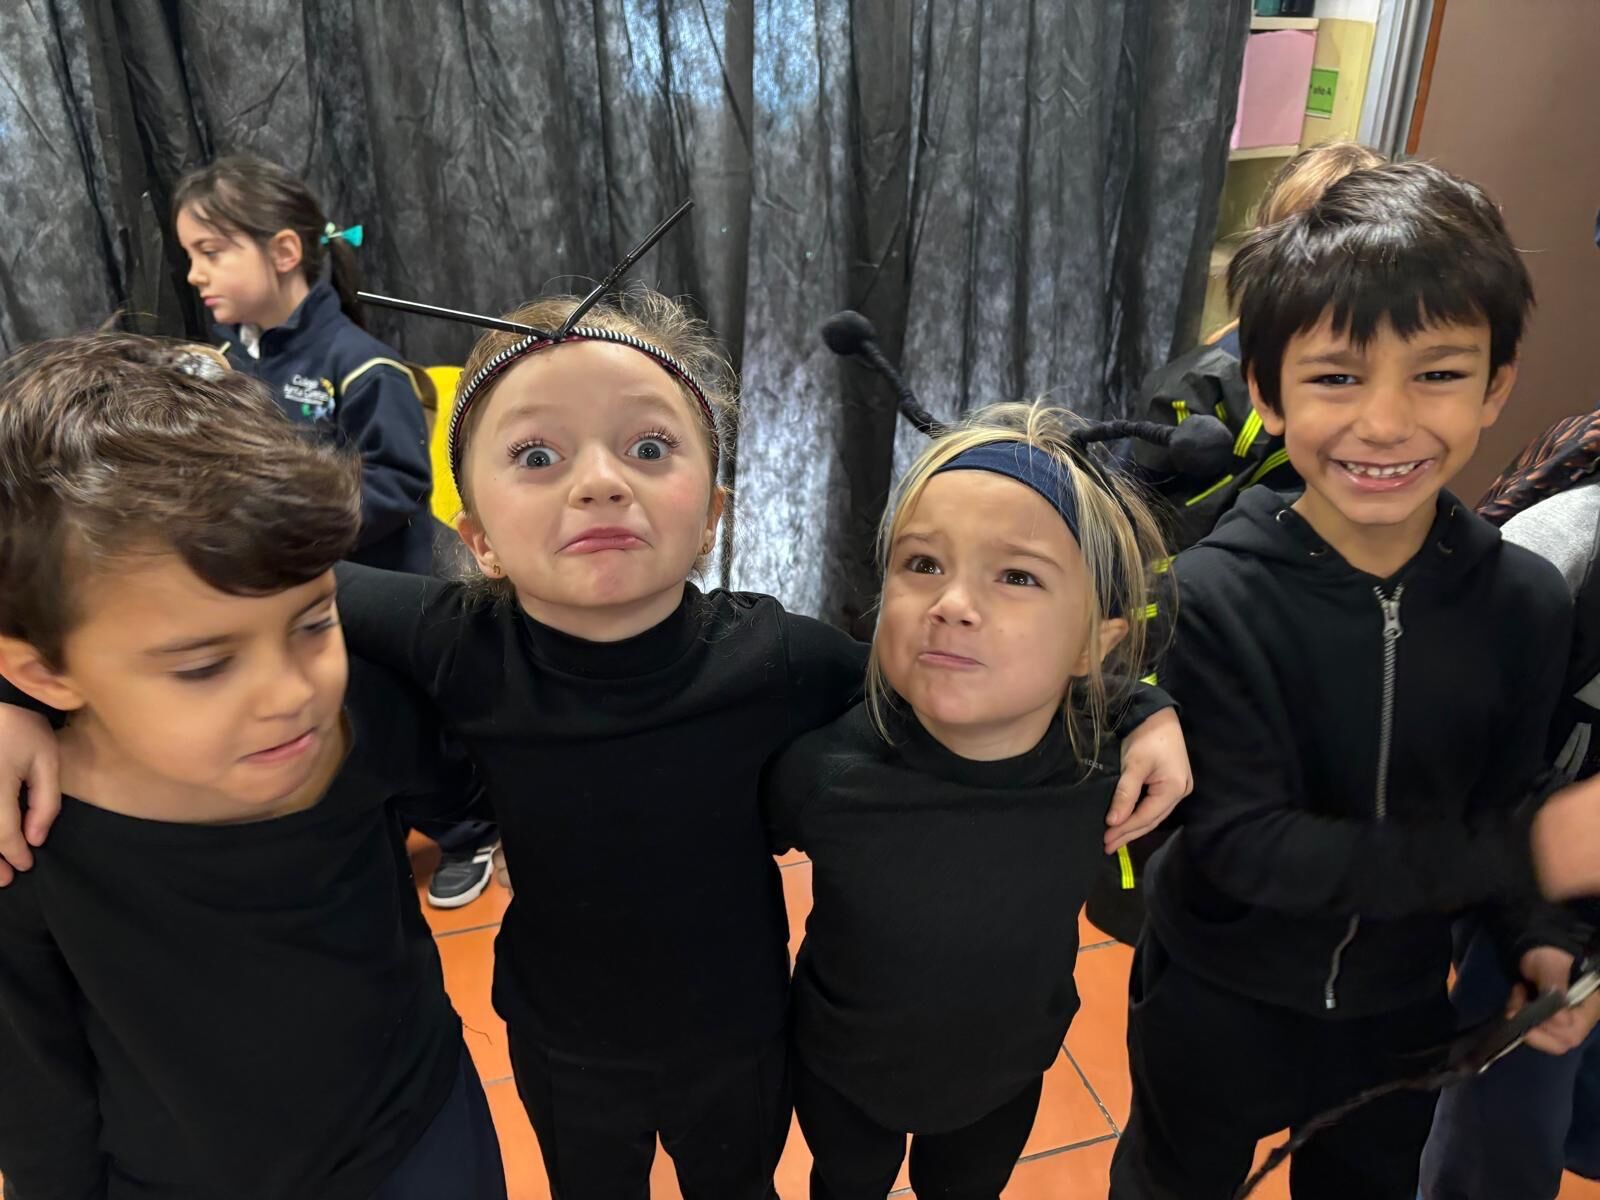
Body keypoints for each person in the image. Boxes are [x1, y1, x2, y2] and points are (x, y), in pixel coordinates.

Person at [1106, 160, 1593, 1200]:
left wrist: (1536, 936)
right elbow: (1246, 844)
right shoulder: (1210, 596)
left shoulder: (1525, 604)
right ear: (1266, 390)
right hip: (1215, 996)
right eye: (1336, 377)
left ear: (1496, 385)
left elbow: (1505, 795)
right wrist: (1532, 848)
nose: (1383, 421)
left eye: (1437, 373)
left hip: (1397, 1011)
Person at [0, 333, 505, 1199]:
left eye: (314, 622)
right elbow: (36, 1089)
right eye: (204, 666)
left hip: (422, 1138)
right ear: (44, 672)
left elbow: (485, 793)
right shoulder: (27, 837)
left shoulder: (366, 713)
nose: (291, 694)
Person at [765, 400, 1172, 1200]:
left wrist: (1156, 711)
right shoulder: (822, 770)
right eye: (922, 564)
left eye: (1017, 576)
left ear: (1094, 641)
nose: (951, 603)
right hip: (843, 1073)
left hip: (1004, 1078)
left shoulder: (1109, 774)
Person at [174, 153, 498, 907]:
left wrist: (284, 527)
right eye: (190, 255)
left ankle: (468, 829)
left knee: (400, 724)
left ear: (285, 251)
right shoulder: (219, 370)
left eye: (211, 251)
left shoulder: (362, 368)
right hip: (284, 598)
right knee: (322, 730)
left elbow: (398, 486)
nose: (194, 274)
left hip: (380, 592)